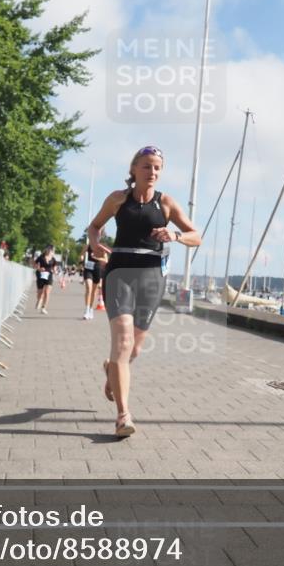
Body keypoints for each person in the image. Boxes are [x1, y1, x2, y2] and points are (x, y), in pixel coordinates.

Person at [87, 145, 201, 437]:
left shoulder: (166, 204)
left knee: (134, 349)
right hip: (119, 274)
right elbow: (94, 226)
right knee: (123, 343)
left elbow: (196, 235)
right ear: (134, 168)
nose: (153, 172)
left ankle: (112, 371)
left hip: (151, 278)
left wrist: (175, 235)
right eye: (147, 166)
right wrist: (95, 243)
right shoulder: (117, 199)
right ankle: (123, 416)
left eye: (157, 168)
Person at [80, 237, 106, 320]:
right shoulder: (87, 246)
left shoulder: (102, 247)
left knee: (94, 292)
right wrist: (81, 258)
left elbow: (106, 260)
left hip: (97, 270)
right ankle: (86, 310)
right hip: (88, 268)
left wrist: (96, 258)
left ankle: (91, 309)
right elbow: (81, 255)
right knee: (88, 287)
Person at [33, 245, 57, 314]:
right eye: (49, 249)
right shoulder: (41, 257)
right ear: (46, 249)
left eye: (51, 250)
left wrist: (55, 270)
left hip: (49, 275)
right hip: (40, 275)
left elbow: (54, 265)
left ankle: (44, 308)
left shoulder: (53, 258)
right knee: (40, 292)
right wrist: (39, 269)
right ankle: (39, 300)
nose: (50, 251)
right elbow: (34, 265)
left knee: (47, 292)